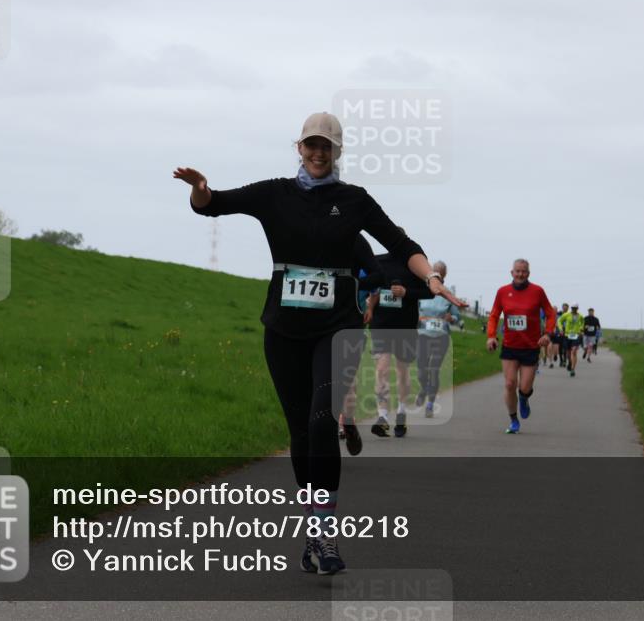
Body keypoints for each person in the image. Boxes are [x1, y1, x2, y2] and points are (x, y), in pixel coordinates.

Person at [174, 112, 463, 576]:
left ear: (337, 151)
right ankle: (313, 529)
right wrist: (200, 188)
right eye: (311, 144)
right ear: (299, 148)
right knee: (301, 433)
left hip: (337, 329)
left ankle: (326, 533)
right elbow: (213, 205)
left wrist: (430, 277)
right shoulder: (274, 194)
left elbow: (401, 242)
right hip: (283, 332)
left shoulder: (354, 200)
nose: (318, 153)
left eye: (326, 146)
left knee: (323, 419)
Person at [367, 235, 435, 438]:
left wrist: (406, 292)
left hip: (405, 326)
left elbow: (430, 292)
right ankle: (382, 417)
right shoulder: (378, 261)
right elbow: (370, 287)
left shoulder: (415, 264)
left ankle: (401, 412)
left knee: (402, 371)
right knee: (381, 369)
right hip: (381, 325)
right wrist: (369, 307)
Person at [485, 259, 556, 434]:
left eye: (523, 271)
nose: (520, 274)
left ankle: (524, 399)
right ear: (512, 273)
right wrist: (491, 336)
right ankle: (513, 420)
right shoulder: (503, 292)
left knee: (524, 388)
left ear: (528, 273)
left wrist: (547, 334)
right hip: (510, 346)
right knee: (510, 384)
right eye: (517, 271)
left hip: (531, 346)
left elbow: (550, 314)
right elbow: (494, 315)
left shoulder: (537, 291)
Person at [338, 234, 384, 456]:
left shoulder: (363, 266)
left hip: (351, 324)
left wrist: (370, 308)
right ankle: (342, 420)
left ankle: (346, 420)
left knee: (348, 378)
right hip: (324, 325)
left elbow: (375, 290)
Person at [415, 261, 462, 418]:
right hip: (423, 336)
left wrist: (452, 318)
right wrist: (416, 317)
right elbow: (414, 310)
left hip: (441, 337)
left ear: (444, 276)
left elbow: (457, 316)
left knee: (434, 369)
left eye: (440, 273)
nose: (437, 275)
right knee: (421, 370)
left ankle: (430, 404)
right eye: (435, 272)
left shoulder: (447, 294)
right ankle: (424, 388)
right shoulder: (422, 290)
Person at [558, 304, 585, 377]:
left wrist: (581, 330)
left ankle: (573, 369)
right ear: (571, 308)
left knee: (574, 351)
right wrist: (561, 329)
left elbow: (583, 322)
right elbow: (559, 321)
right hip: (567, 335)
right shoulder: (566, 315)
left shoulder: (580, 316)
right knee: (568, 353)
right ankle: (570, 362)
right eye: (573, 308)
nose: (574, 309)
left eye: (575, 308)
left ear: (577, 308)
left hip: (576, 336)